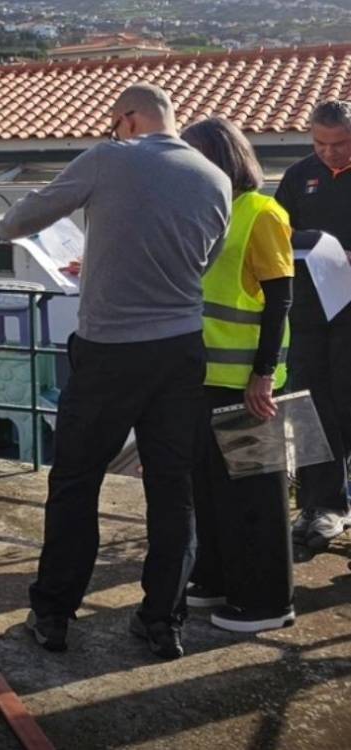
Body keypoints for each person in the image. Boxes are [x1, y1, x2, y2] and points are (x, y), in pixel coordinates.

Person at [0, 83, 232, 660]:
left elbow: (12, 226)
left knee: (76, 482)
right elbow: (205, 259)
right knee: (172, 490)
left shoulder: (108, 157)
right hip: (180, 348)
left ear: (127, 119)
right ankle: (161, 622)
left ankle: (52, 615)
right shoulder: (217, 179)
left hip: (109, 351)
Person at [180, 117, 296, 633]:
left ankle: (267, 600)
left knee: (254, 495)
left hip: (247, 381)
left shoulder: (260, 212)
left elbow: (279, 300)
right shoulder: (209, 211)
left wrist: (263, 375)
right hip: (203, 376)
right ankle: (217, 578)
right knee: (209, 489)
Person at [273, 99, 351, 557]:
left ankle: (336, 504)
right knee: (306, 405)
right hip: (308, 313)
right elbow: (279, 233)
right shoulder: (299, 176)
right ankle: (317, 505)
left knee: (345, 405)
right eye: (320, 144)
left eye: (339, 144)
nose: (330, 153)